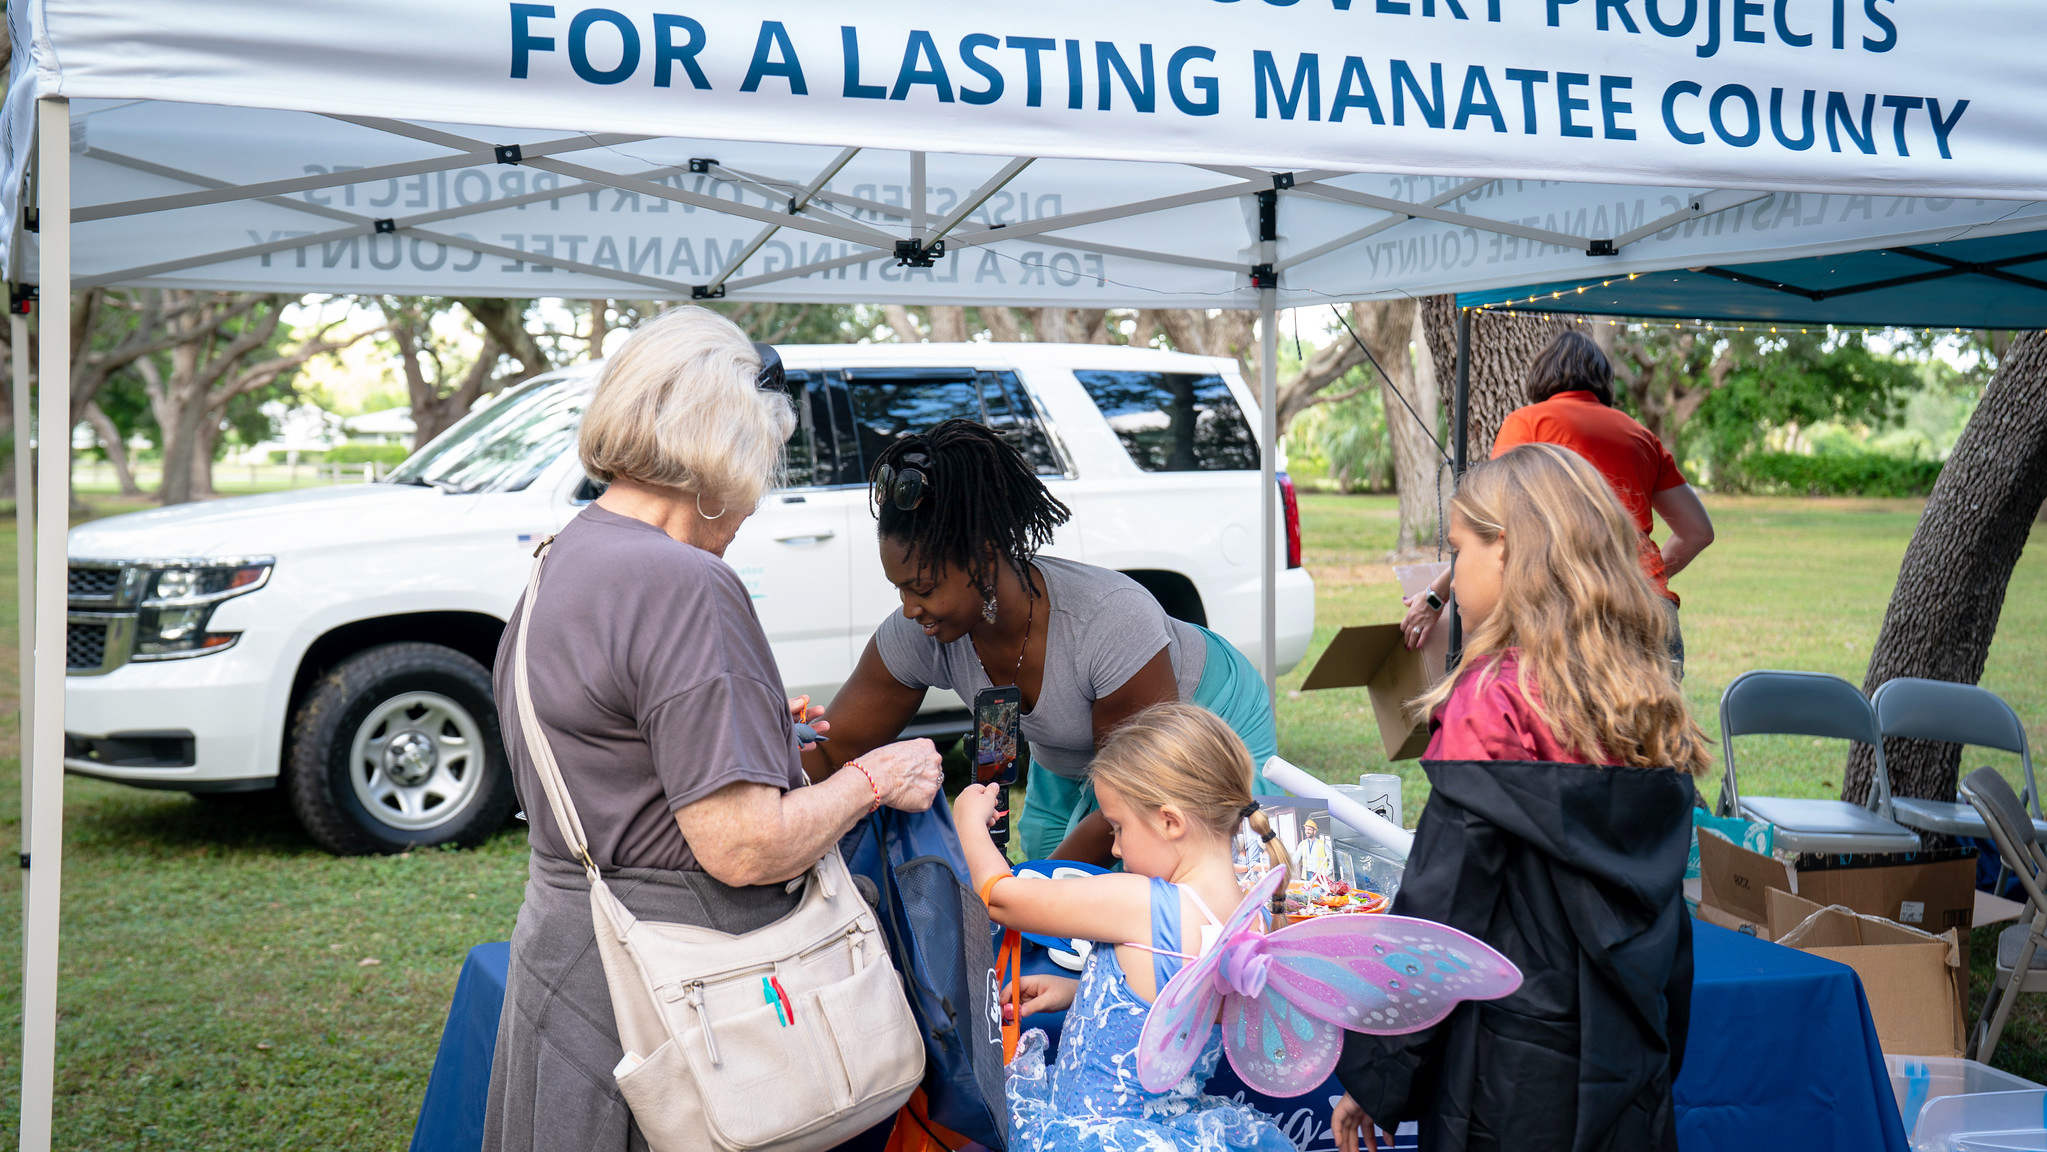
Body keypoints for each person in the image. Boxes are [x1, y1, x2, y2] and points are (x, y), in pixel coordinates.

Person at [482, 306, 943, 1152]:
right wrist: (877, 775)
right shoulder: (686, 583)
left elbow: (614, 753)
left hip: (576, 964)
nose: (755, 500)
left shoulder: (565, 557)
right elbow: (744, 848)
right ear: (722, 454)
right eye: (760, 466)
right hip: (679, 997)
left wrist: (756, 726)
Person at [1332, 443, 1709, 1152]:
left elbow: (1440, 913)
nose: (1453, 570)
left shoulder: (1492, 699)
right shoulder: (1641, 693)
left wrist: (1374, 1073)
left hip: (1512, 1066)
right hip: (1626, 1050)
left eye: (1458, 548)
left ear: (1505, 551)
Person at [810, 419, 1278, 864]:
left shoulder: (1108, 618)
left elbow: (1140, 791)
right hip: (1073, 749)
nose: (911, 608)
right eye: (900, 589)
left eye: (925, 588)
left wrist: (1027, 896)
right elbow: (835, 749)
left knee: (1162, 873)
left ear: (984, 557)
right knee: (1047, 877)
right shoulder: (920, 632)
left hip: (1203, 721)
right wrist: (764, 773)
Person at [953, 702, 1295, 1152]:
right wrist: (1090, 992)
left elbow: (1001, 898)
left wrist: (966, 823)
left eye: (1118, 826)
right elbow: (1174, 1002)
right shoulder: (1253, 914)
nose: (1113, 846)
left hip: (1093, 1134)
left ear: (1170, 821)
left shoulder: (1144, 902)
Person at [1402, 329, 1713, 677]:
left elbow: (1492, 525)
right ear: (1603, 383)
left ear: (1541, 377)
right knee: (1653, 730)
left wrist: (1434, 597)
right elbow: (1698, 531)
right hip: (1650, 610)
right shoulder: (1641, 436)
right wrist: (1637, 577)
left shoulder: (1527, 424)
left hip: (1570, 612)